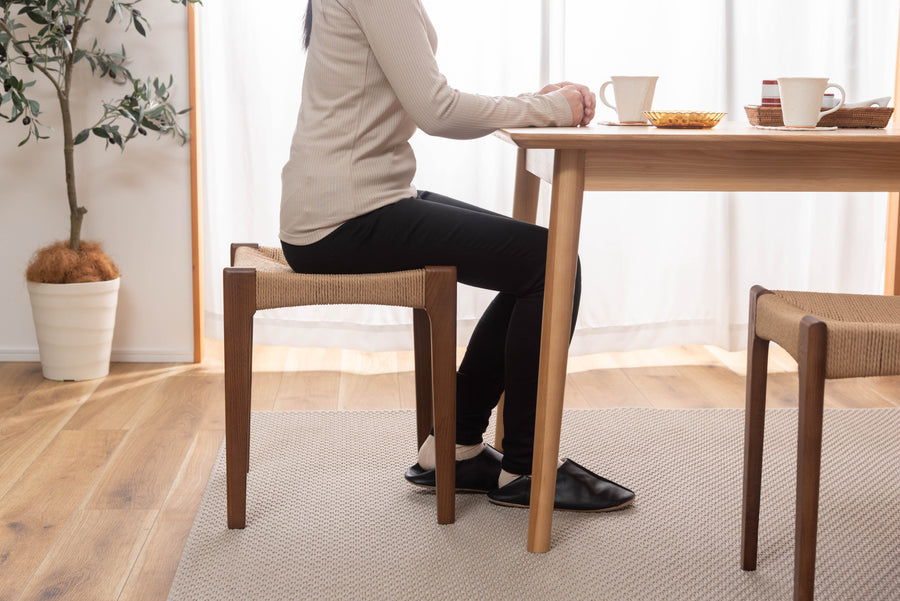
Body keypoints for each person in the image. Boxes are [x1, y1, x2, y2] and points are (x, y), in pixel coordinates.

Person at [280, 0, 634, 512]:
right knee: (549, 264)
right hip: (345, 219)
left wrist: (532, 103)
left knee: (538, 262)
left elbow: (424, 96)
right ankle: (527, 468)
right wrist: (547, 110)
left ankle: (453, 448)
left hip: (355, 203)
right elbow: (437, 110)